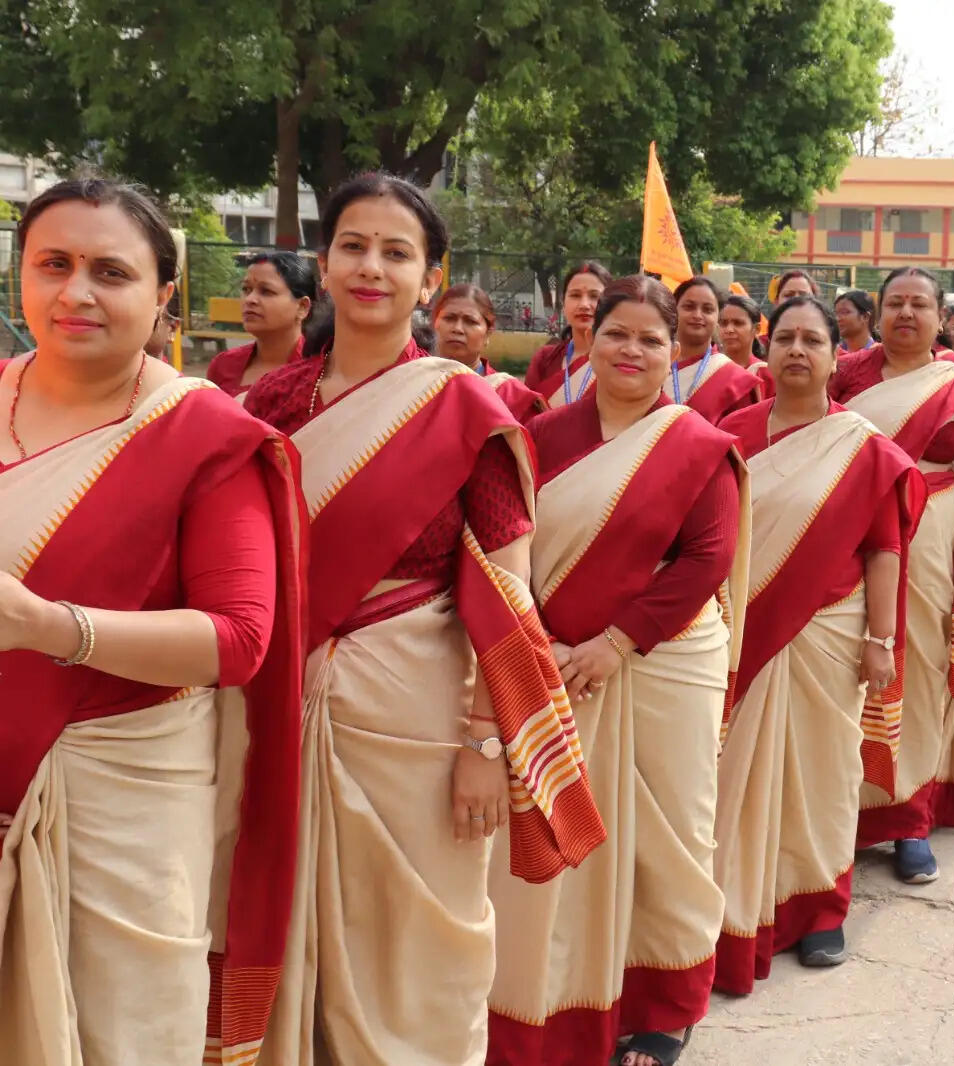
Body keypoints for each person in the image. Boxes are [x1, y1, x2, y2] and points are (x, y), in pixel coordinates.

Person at [246, 173, 602, 1066]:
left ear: (430, 278)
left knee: (421, 934)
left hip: (423, 717)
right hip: (275, 704)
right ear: (324, 264)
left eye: (396, 253)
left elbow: (509, 590)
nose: (373, 267)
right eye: (354, 247)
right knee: (281, 913)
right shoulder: (269, 406)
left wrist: (486, 745)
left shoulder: (468, 412)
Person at [0, 178, 305, 1064]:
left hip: (122, 798)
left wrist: (49, 627)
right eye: (53, 264)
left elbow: (239, 639)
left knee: (121, 1037)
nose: (77, 292)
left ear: (164, 292)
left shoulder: (204, 433)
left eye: (111, 271)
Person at [487, 275, 747, 1066]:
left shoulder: (697, 445)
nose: (632, 351)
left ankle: (666, 1005)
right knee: (556, 833)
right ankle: (553, 1003)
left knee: (671, 836)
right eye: (617, 334)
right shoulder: (540, 435)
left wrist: (616, 643)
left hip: (666, 662)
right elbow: (508, 546)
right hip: (553, 662)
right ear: (587, 339)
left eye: (650, 339)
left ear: (676, 351)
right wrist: (542, 640)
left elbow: (707, 557)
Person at [712, 295, 921, 993]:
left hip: (830, 629)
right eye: (786, 339)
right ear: (767, 352)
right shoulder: (731, 434)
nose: (797, 350)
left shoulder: (861, 447)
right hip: (740, 631)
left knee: (822, 775)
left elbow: (885, 549)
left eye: (813, 340)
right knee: (734, 779)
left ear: (837, 356)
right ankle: (729, 910)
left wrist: (881, 638)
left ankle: (819, 909)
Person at [829, 266, 954, 884]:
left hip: (931, 536)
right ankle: (838, 814)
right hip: (846, 532)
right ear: (877, 313)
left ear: (941, 317)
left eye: (919, 304)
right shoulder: (847, 375)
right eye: (895, 303)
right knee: (843, 662)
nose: (906, 314)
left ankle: (909, 818)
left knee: (921, 666)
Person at [207, 251, 316, 397]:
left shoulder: (317, 372)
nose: (250, 299)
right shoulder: (223, 366)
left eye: (266, 291)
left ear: (302, 307)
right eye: (246, 289)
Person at [433, 282, 544, 420]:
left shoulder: (510, 396)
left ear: (487, 334)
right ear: (435, 324)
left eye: (470, 321)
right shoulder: (415, 383)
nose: (457, 329)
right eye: (449, 318)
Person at [671, 275, 762, 421]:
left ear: (718, 317)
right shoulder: (653, 366)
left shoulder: (735, 380)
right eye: (689, 307)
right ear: (674, 311)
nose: (697, 315)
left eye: (707, 310)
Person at [526, 260, 613, 406]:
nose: (584, 305)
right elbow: (526, 411)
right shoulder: (545, 359)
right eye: (575, 295)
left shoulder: (617, 361)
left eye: (594, 296)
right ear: (563, 303)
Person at [835, 289, 877, 354]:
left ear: (865, 317)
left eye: (844, 312)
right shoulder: (833, 354)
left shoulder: (878, 355)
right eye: (836, 313)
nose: (837, 318)